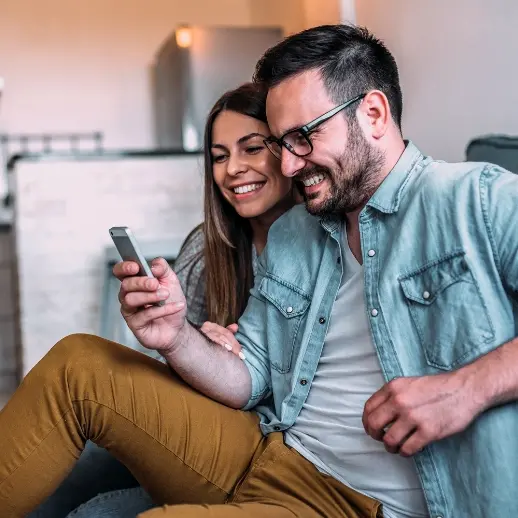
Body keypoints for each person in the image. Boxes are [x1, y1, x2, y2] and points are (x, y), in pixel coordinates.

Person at [1, 23, 518, 518]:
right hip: (269, 448)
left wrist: (467, 388)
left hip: (348, 501)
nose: (288, 165)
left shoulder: (476, 199)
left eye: (303, 136)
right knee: (79, 363)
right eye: (280, 141)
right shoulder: (297, 232)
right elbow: (248, 375)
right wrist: (176, 335)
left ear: (375, 114)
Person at [27, 82, 297, 518]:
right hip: (202, 420)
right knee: (78, 468)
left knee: (99, 509)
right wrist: (194, 345)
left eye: (251, 149)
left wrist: (241, 363)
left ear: (288, 152)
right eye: (220, 156)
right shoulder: (209, 247)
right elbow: (179, 367)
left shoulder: (321, 248)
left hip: (259, 448)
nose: (233, 170)